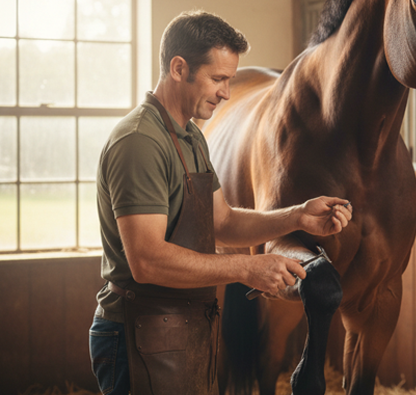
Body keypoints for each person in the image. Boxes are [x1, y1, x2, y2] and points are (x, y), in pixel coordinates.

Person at [88, 10, 352, 395]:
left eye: (229, 79)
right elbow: (146, 260)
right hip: (136, 334)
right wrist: (246, 268)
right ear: (179, 68)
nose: (226, 92)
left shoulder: (191, 137)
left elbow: (223, 221)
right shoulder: (140, 142)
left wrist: (297, 217)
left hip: (181, 329)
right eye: (218, 79)